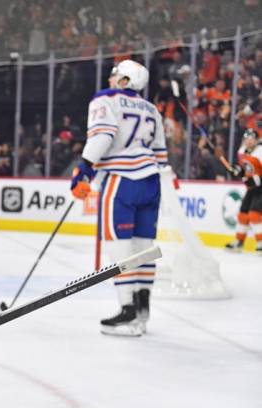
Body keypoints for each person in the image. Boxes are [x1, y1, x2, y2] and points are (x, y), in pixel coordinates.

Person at [70, 60, 167, 337]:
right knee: (144, 247)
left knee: (119, 248)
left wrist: (84, 168)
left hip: (122, 181)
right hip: (151, 181)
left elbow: (103, 135)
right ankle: (142, 310)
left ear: (125, 80)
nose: (111, 78)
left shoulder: (106, 99)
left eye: (115, 74)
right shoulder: (152, 109)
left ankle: (127, 312)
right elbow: (160, 153)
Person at [225, 129, 262, 253]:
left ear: (256, 140)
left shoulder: (260, 152)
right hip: (252, 188)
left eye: (251, 139)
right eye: (246, 138)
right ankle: (239, 242)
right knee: (243, 214)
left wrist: (256, 180)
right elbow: (244, 170)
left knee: (254, 214)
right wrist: (236, 171)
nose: (248, 141)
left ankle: (261, 242)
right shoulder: (242, 151)